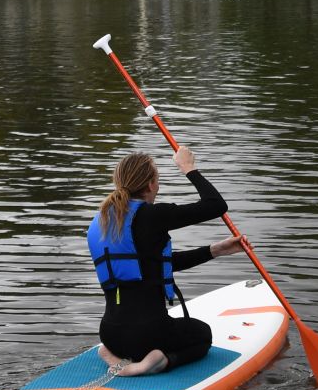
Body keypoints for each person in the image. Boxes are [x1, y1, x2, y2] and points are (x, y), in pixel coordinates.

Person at [87, 146, 244, 377]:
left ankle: (111, 353)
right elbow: (216, 205)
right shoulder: (154, 215)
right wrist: (188, 168)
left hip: (110, 333)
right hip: (149, 336)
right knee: (202, 334)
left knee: (132, 333)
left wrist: (215, 250)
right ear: (151, 184)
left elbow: (158, 263)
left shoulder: (103, 221)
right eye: (157, 179)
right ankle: (156, 362)